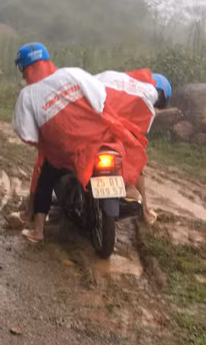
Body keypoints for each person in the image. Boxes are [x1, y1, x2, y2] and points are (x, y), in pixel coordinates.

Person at [12, 42, 149, 242]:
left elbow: (27, 134)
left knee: (45, 179)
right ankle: (129, 194)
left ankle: (38, 231)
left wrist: (49, 137)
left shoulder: (28, 95)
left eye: (23, 69)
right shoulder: (72, 73)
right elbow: (100, 98)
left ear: (26, 68)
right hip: (99, 141)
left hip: (65, 154)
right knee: (120, 154)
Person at [95, 70, 173, 224]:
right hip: (111, 137)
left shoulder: (113, 78)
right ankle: (144, 210)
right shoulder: (145, 104)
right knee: (136, 161)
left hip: (95, 129)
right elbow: (137, 141)